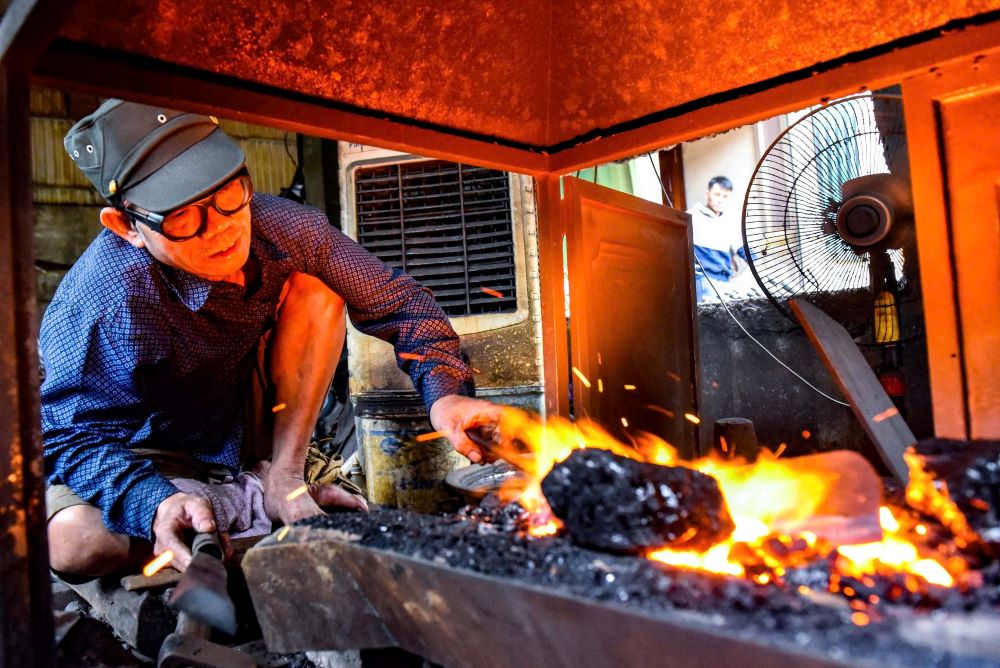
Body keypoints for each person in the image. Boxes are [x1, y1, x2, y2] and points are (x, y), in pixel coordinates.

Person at [42, 99, 502, 577]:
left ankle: (281, 481)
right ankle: (244, 515)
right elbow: (71, 435)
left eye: (227, 193)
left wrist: (445, 397)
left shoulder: (283, 227)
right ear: (127, 226)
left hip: (246, 429)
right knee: (73, 544)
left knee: (319, 285)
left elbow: (400, 303)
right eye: (183, 218)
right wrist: (154, 502)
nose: (221, 228)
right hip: (143, 451)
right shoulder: (101, 302)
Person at [688, 175, 749, 302]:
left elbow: (742, 248)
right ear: (707, 194)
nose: (720, 200)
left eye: (725, 196)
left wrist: (759, 267)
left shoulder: (729, 222)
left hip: (724, 280)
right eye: (717, 194)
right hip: (703, 280)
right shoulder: (691, 216)